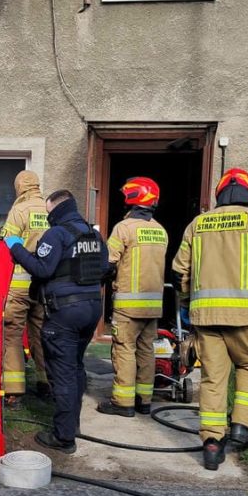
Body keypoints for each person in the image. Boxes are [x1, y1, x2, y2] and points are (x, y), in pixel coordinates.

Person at [171, 167, 248, 470]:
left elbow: (179, 271)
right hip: (246, 318)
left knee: (213, 379)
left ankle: (212, 444)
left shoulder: (197, 224)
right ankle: (241, 428)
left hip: (206, 318)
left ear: (220, 195)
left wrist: (187, 305)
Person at [6, 189, 108, 454]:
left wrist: (16, 248)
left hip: (65, 313)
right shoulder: (93, 235)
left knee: (62, 372)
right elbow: (104, 269)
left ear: (57, 209)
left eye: (49, 211)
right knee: (76, 367)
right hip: (92, 310)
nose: (48, 216)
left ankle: (63, 437)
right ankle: (72, 424)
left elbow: (42, 269)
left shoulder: (57, 234)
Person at [97, 177, 168, 418]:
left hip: (128, 306)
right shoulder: (160, 230)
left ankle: (123, 402)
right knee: (146, 350)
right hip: (153, 306)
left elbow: (108, 263)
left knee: (124, 349)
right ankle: (144, 400)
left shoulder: (124, 228)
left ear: (132, 198)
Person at [0, 170, 51, 410]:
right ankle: (45, 383)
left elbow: (7, 243)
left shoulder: (19, 210)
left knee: (12, 335)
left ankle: (14, 392)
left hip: (19, 286)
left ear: (19, 186)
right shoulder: (50, 210)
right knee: (41, 334)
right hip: (44, 286)